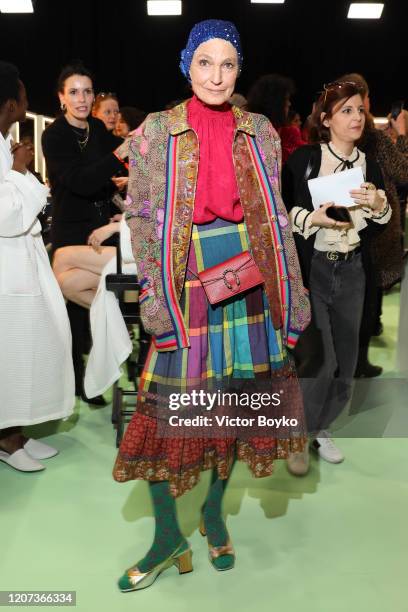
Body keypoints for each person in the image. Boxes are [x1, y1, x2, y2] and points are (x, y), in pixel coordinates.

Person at [112, 19, 310, 592]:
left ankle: (214, 513)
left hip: (246, 279)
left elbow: (273, 219)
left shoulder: (262, 132)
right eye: (205, 63)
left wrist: (289, 297)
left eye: (227, 64)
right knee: (163, 416)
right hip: (183, 285)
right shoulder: (155, 132)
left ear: (239, 69)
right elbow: (144, 222)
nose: (216, 76)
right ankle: (166, 536)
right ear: (186, 65)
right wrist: (156, 303)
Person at [282, 81, 391, 475]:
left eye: (360, 110)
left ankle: (319, 427)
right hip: (315, 268)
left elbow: (382, 222)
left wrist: (379, 205)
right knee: (321, 358)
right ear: (325, 120)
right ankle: (298, 435)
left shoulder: (370, 166)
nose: (357, 117)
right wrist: (314, 217)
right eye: (346, 111)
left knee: (346, 364)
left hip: (354, 270)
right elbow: (282, 215)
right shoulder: (304, 161)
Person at [0, 62, 75, 472]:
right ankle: (7, 440)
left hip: (21, 262)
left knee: (27, 348)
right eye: (25, 98)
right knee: (12, 352)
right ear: (11, 104)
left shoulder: (2, 142)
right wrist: (20, 172)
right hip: (6, 266)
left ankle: (16, 432)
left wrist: (17, 171)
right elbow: (6, 216)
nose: (28, 104)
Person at [42, 62, 124, 404]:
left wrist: (118, 185)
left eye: (87, 91)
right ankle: (78, 381)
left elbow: (102, 177)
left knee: (101, 297)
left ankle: (108, 358)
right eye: (73, 92)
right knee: (72, 315)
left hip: (101, 230)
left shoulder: (98, 130)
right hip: (69, 230)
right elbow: (80, 181)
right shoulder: (54, 135)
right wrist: (116, 158)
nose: (81, 98)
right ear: (61, 97)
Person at [337, 74, 408, 375]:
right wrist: (402, 134)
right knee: (366, 298)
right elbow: (404, 173)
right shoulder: (376, 139)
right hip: (376, 228)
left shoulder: (332, 136)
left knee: (346, 298)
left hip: (342, 226)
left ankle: (346, 362)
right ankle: (358, 363)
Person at [52, 217, 121, 307]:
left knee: (62, 256)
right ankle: (116, 314)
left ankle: (54, 311)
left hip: (141, 256)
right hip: (133, 245)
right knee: (66, 284)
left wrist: (115, 227)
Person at [246, 73, 306, 164]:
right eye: (286, 99)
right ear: (275, 103)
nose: (289, 104)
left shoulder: (285, 133)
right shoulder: (253, 134)